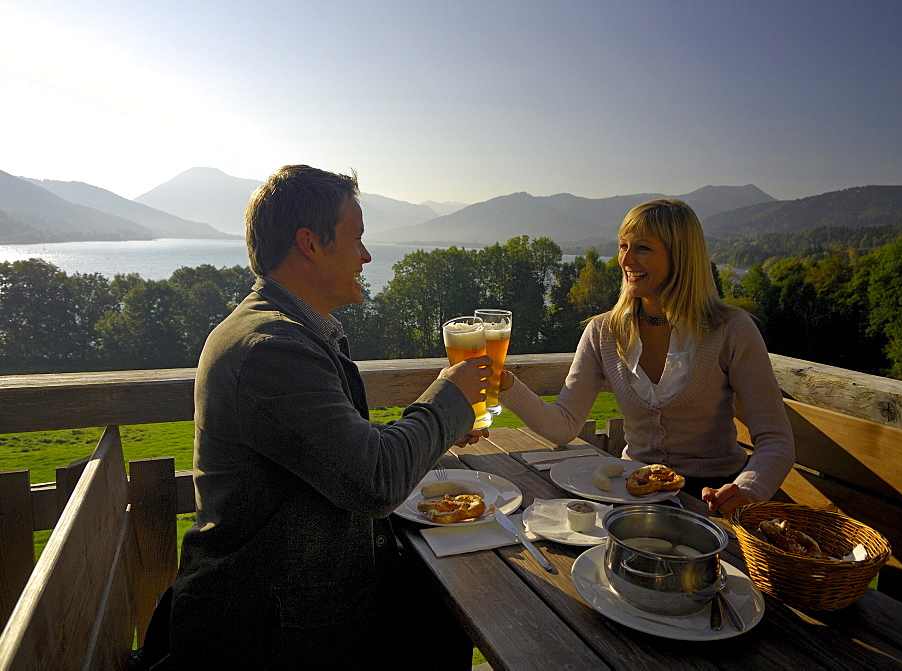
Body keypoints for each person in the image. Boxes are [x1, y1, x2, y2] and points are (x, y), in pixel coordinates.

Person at [166, 165, 489, 669]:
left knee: (447, 603)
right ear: (310, 244)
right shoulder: (272, 349)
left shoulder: (281, 330)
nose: (366, 256)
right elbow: (375, 481)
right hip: (270, 628)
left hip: (290, 597)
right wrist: (449, 398)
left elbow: (336, 452)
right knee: (459, 606)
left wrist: (434, 431)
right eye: (356, 239)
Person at [498, 199, 794, 516]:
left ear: (680, 257)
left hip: (711, 501)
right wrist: (505, 385)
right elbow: (565, 425)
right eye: (623, 245)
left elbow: (775, 439)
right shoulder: (603, 332)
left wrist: (748, 489)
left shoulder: (731, 330)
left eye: (642, 248)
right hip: (630, 494)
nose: (625, 259)